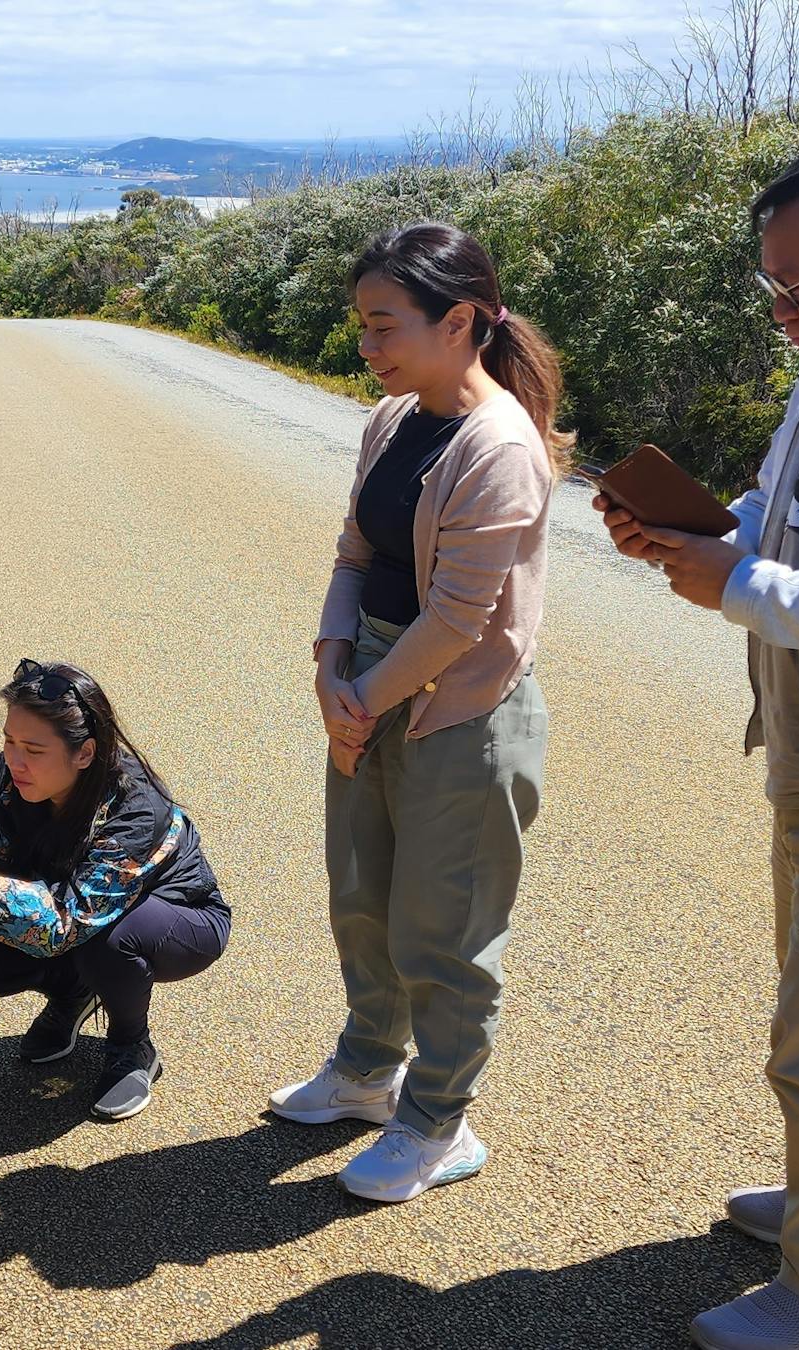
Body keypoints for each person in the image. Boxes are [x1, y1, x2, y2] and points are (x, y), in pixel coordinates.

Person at [595, 135, 799, 1350]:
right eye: (768, 287)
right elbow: (784, 529)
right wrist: (692, 539)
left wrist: (742, 587)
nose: (780, 314)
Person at [269, 223, 567, 1203]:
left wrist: (360, 698)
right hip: (368, 686)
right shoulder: (393, 421)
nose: (368, 348)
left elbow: (456, 619)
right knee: (362, 897)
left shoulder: (503, 447)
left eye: (384, 326)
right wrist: (328, 669)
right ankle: (366, 1068)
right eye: (362, 325)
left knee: (442, 931)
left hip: (460, 714)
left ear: (463, 322)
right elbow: (354, 553)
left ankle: (439, 1120)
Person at [0, 660, 229, 1121]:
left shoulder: (136, 809)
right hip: (70, 914)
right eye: (9, 740)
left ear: (84, 753)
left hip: (180, 919)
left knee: (109, 942)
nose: (14, 761)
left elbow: (63, 925)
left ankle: (131, 1046)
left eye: (34, 750)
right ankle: (74, 995)